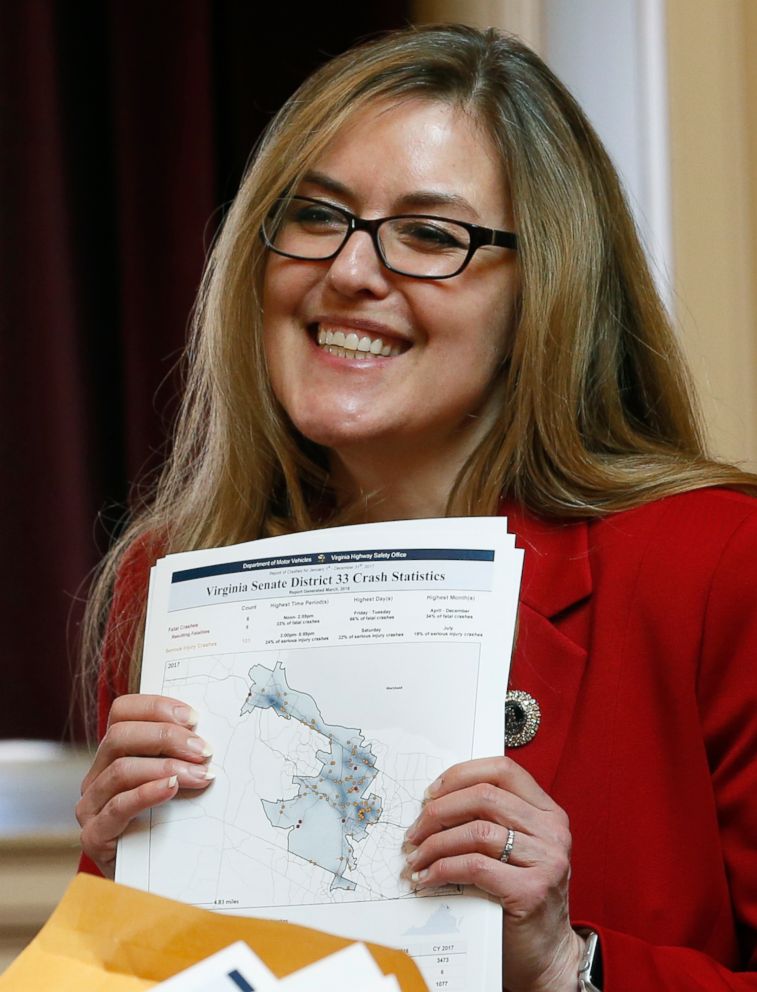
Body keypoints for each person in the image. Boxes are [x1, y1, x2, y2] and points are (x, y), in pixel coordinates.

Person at [76, 23, 757, 992]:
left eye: (430, 235)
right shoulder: (171, 577)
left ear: (543, 296)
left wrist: (570, 966)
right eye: (316, 215)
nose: (351, 270)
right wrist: (119, 890)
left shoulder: (718, 564)